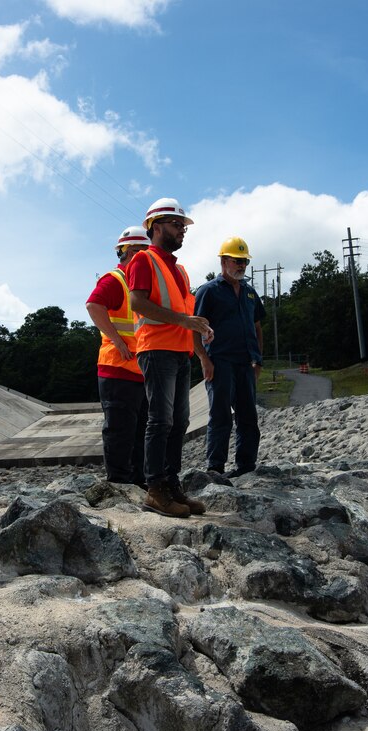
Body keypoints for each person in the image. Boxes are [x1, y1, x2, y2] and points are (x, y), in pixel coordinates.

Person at [127, 197, 212, 518]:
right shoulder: (143, 261)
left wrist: (199, 328)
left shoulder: (179, 270)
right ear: (156, 226)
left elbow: (183, 312)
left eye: (183, 226)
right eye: (177, 225)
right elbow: (138, 303)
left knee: (178, 423)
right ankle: (155, 490)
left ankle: (172, 485)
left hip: (179, 353)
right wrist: (184, 322)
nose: (182, 231)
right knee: (160, 421)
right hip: (156, 349)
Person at [193, 237, 266, 477]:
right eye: (237, 260)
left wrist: (258, 360)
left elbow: (257, 328)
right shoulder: (208, 291)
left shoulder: (250, 292)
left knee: (248, 417)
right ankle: (215, 468)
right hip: (220, 362)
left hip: (246, 363)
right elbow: (195, 328)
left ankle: (246, 467)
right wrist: (204, 359)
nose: (242, 265)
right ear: (224, 261)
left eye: (244, 261)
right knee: (221, 415)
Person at [85, 226, 151, 488]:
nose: (143, 258)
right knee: (120, 430)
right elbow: (93, 305)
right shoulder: (116, 279)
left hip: (140, 369)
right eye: (138, 252)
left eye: (146, 253)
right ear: (125, 252)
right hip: (117, 368)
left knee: (140, 430)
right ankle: (119, 484)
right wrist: (115, 338)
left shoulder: (140, 284)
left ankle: (138, 482)